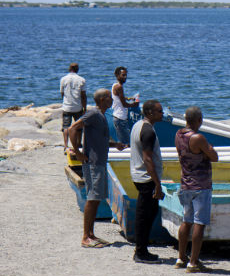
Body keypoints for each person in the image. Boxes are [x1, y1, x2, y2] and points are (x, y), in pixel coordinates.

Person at [68, 88, 125, 248]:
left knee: (97, 198)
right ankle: (86, 237)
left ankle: (91, 234)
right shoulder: (93, 114)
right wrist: (78, 152)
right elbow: (73, 128)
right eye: (109, 97)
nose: (111, 99)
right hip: (93, 163)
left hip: (100, 162)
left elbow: (99, 140)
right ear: (102, 99)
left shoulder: (101, 115)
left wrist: (115, 144)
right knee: (92, 198)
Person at [174, 106, 218, 273]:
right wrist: (208, 149)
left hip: (185, 183)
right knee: (199, 223)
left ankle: (181, 258)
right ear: (199, 120)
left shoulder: (179, 135)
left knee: (186, 221)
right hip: (201, 185)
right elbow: (214, 157)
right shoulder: (198, 138)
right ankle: (193, 262)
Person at [129, 99, 165, 264]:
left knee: (148, 212)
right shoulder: (148, 131)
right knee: (145, 215)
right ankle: (141, 252)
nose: (162, 114)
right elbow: (148, 159)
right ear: (150, 112)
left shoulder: (138, 125)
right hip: (146, 178)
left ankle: (141, 248)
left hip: (139, 175)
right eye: (159, 111)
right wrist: (157, 184)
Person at [60, 63, 87, 150]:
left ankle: (66, 145)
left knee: (66, 126)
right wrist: (85, 108)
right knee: (79, 126)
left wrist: (65, 101)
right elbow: (83, 96)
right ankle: (78, 143)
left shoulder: (63, 79)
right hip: (78, 107)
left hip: (67, 107)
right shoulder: (81, 80)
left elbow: (62, 93)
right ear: (77, 69)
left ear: (69, 69)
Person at [111, 66, 139, 145]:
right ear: (117, 75)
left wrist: (128, 98)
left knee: (124, 141)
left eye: (126, 75)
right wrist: (134, 104)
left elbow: (119, 97)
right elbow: (124, 104)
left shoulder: (115, 85)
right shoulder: (119, 87)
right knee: (126, 143)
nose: (125, 77)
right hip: (120, 118)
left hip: (118, 117)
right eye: (123, 75)